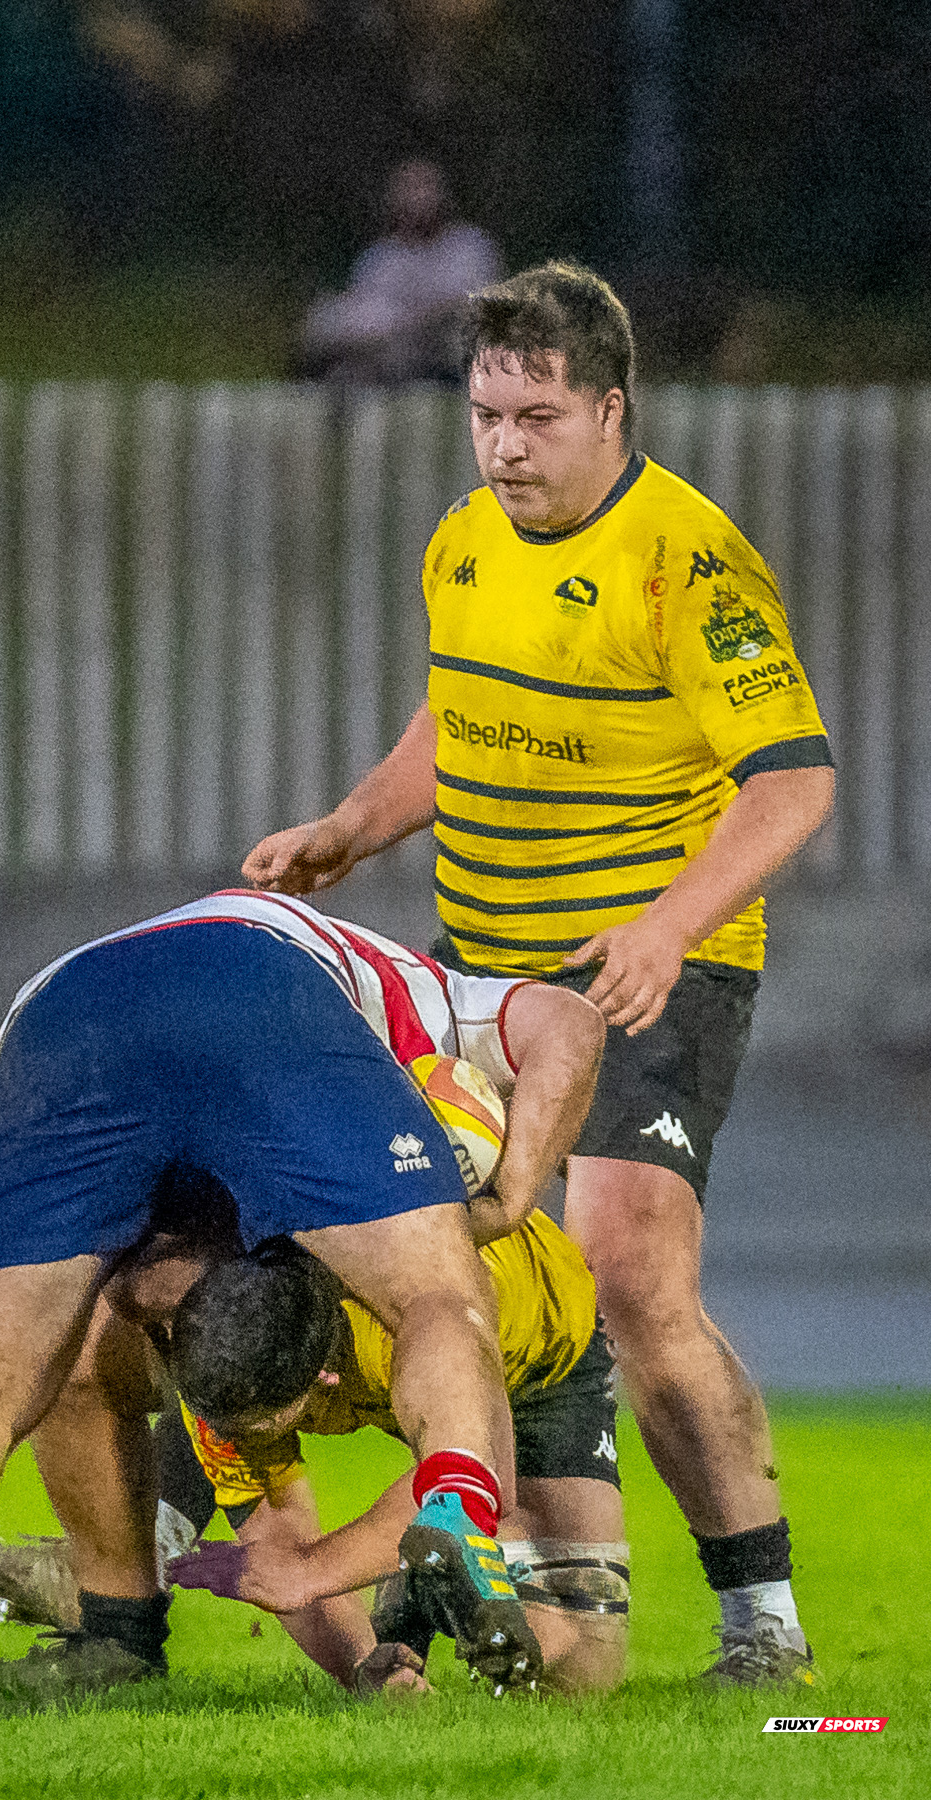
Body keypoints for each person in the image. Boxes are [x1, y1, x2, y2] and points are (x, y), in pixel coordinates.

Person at [243, 262, 836, 1687]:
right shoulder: (463, 541)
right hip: (478, 981)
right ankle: (494, 1585)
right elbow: (459, 720)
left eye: (537, 416)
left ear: (611, 410)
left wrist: (669, 926)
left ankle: (764, 1628)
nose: (505, 445)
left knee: (629, 1277)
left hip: (641, 977)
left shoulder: (686, 562)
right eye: (485, 413)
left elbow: (795, 782)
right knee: (443, 1267)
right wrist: (348, 829)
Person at [0, 889, 603, 1695]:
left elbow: (147, 1282)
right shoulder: (428, 1001)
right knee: (439, 1302)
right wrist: (513, 1193)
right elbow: (572, 1023)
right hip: (255, 984)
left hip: (62, 1015)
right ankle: (457, 1509)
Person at [0, 1226, 627, 1699]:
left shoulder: (414, 1339)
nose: (222, 1435)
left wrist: (316, 1570)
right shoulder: (224, 1351)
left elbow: (482, 1479)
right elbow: (275, 1554)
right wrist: (364, 1671)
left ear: (323, 1383)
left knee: (576, 1671)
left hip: (543, 1363)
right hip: (359, 1374)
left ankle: (419, 1587)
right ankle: (405, 1612)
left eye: (253, 1427)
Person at [302, 159, 501, 385]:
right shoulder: (381, 258)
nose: (417, 198)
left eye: (423, 187)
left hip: (441, 347)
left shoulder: (468, 246)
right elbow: (361, 308)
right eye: (408, 188)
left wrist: (409, 322)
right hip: (388, 348)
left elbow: (472, 304)